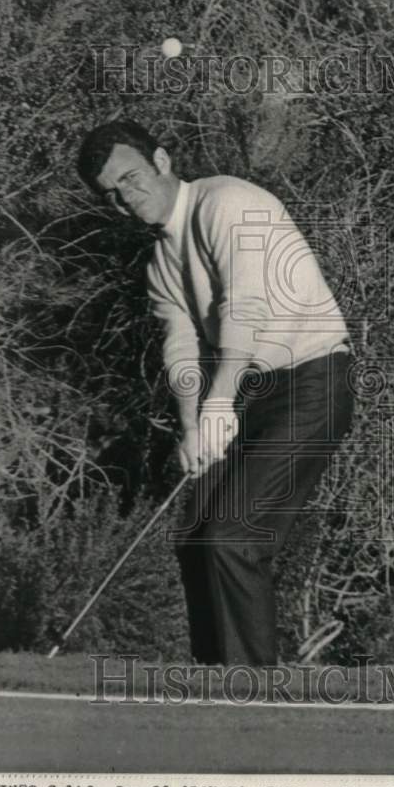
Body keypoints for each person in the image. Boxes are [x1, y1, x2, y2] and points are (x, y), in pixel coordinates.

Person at [77, 119, 353, 667]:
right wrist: (192, 426)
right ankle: (215, 691)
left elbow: (244, 309)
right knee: (196, 536)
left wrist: (220, 402)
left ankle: (250, 695)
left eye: (131, 179)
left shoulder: (225, 202)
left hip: (314, 379)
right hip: (253, 389)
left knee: (233, 537)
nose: (127, 200)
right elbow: (180, 348)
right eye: (113, 195)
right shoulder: (161, 262)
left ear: (162, 160)